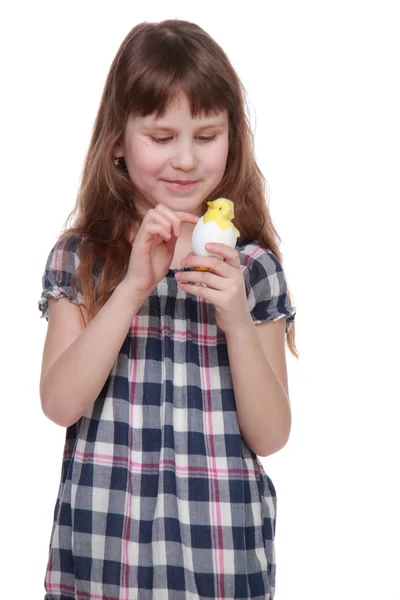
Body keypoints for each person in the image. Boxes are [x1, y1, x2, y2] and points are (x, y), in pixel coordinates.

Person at [38, 19, 297, 600]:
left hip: (223, 557)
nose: (186, 159)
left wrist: (234, 319)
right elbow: (59, 404)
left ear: (233, 138)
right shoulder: (84, 259)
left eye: (206, 136)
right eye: (162, 137)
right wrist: (132, 287)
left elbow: (272, 433)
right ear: (118, 142)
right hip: (103, 557)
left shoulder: (252, 268)